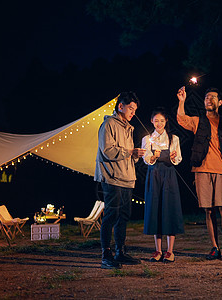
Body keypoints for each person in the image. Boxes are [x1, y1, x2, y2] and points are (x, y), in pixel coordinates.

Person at [177, 86, 222, 261]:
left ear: (220, 102)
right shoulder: (198, 121)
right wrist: (182, 101)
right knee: (208, 210)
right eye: (206, 97)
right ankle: (215, 247)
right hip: (202, 170)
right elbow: (181, 119)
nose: (208, 100)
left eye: (212, 97)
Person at [94, 91, 146, 269]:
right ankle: (106, 255)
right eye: (130, 108)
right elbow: (107, 150)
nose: (133, 112)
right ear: (120, 106)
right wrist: (130, 152)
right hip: (112, 176)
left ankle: (120, 252)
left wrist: (136, 155)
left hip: (127, 177)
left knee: (123, 216)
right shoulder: (108, 124)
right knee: (111, 215)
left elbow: (127, 153)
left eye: (135, 109)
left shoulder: (128, 128)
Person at [142, 108, 184, 263]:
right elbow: (146, 159)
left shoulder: (174, 139)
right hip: (154, 175)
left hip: (169, 176)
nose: (159, 123)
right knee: (156, 209)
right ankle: (158, 250)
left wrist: (173, 157)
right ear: (151, 121)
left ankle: (170, 251)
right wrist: (153, 156)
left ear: (166, 121)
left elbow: (179, 158)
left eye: (162, 120)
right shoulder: (147, 139)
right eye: (156, 120)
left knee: (169, 208)